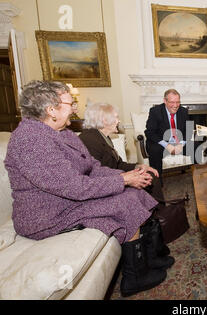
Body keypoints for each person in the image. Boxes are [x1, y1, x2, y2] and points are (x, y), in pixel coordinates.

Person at [4, 81, 171, 297]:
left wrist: (128, 177)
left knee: (135, 191)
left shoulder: (61, 132)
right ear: (51, 110)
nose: (75, 108)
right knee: (126, 200)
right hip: (48, 215)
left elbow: (93, 167)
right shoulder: (30, 140)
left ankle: (148, 256)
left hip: (67, 201)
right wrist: (123, 180)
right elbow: (73, 187)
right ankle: (134, 277)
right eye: (70, 103)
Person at [78, 102, 171, 262]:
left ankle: (158, 223)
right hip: (106, 185)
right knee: (147, 179)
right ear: (103, 120)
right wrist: (129, 177)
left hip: (115, 177)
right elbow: (95, 174)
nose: (118, 121)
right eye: (115, 118)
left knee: (150, 174)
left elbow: (118, 163)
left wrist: (138, 166)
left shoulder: (103, 138)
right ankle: (157, 227)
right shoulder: (89, 140)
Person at [145, 89, 192, 175]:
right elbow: (149, 132)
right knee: (154, 150)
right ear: (165, 101)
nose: (175, 105)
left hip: (178, 143)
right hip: (161, 143)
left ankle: (200, 179)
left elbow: (188, 131)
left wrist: (181, 144)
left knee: (196, 146)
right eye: (172, 102)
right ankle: (157, 184)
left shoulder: (183, 111)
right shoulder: (155, 111)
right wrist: (167, 145)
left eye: (178, 102)